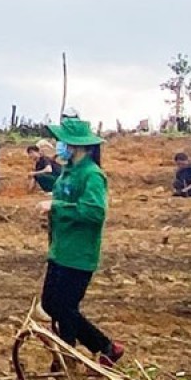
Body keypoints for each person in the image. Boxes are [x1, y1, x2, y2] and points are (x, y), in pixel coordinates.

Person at [39, 118, 124, 366]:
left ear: (77, 146)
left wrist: (57, 207)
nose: (58, 146)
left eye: (62, 142)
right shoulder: (68, 172)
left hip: (78, 253)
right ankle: (77, 354)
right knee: (52, 304)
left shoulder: (92, 175)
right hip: (60, 249)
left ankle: (99, 348)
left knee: (64, 307)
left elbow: (95, 212)